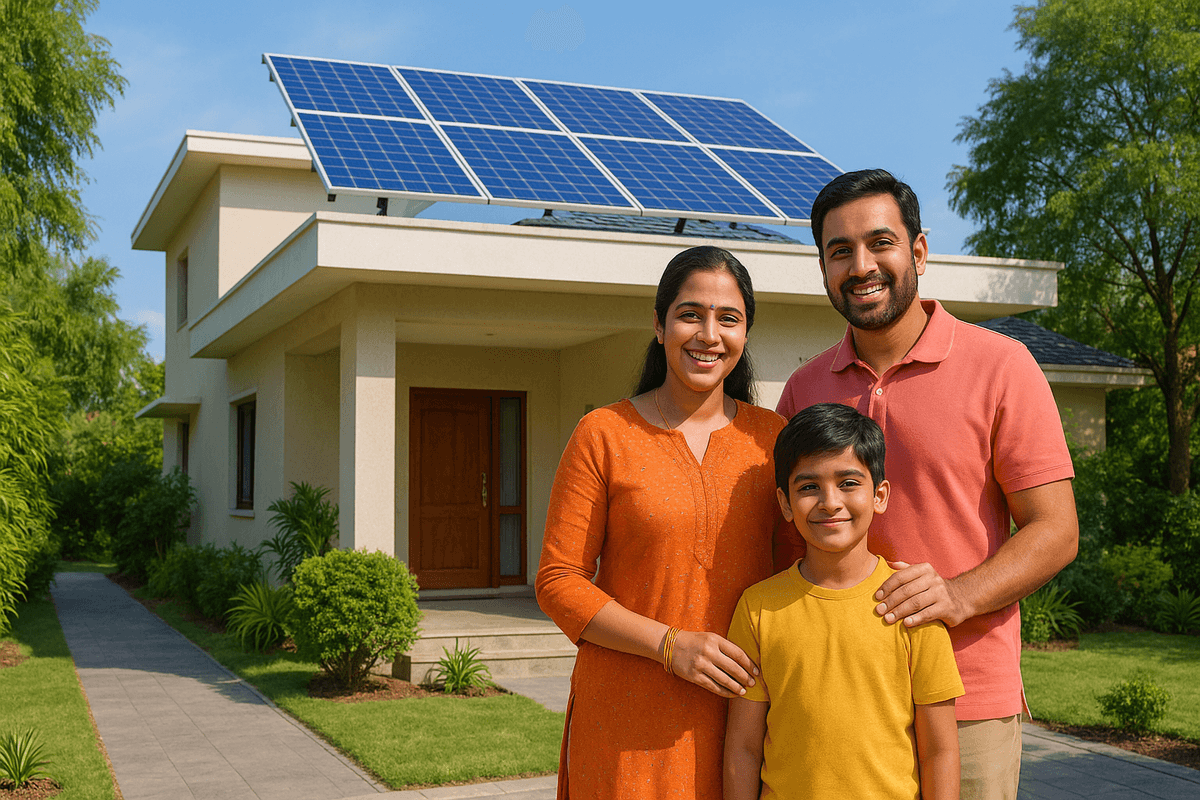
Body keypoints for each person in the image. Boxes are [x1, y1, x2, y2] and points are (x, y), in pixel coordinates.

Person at [775, 169, 1079, 800]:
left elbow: (1056, 531)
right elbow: (786, 541)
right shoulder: (804, 389)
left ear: (918, 249)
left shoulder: (1002, 366)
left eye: (880, 243)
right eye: (839, 252)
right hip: (837, 703)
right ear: (823, 268)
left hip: (967, 696)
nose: (861, 266)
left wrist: (959, 595)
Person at [536, 245, 785, 800]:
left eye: (729, 318)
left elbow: (804, 569)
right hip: (625, 715)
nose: (708, 334)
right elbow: (559, 582)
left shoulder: (773, 441)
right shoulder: (603, 434)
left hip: (743, 716)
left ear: (746, 333)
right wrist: (670, 645)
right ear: (659, 324)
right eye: (690, 314)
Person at [724, 403, 964, 800]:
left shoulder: (911, 606)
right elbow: (743, 748)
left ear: (880, 495)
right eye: (808, 487)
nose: (829, 502)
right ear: (785, 504)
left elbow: (939, 750)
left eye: (849, 483)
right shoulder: (758, 607)